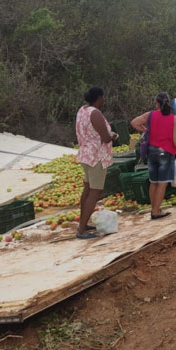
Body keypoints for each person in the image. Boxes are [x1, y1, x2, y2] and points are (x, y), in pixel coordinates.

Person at [131, 92, 176, 219]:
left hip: (151, 152)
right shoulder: (173, 119)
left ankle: (155, 208)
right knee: (162, 183)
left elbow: (134, 122)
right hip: (165, 153)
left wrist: (146, 130)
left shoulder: (150, 115)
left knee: (153, 182)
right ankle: (155, 211)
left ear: (157, 103)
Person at [75, 86, 118, 239]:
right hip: (96, 157)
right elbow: (105, 137)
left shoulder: (82, 110)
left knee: (87, 190)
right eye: (103, 97)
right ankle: (81, 230)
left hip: (85, 155)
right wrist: (112, 135)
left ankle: (83, 223)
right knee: (94, 192)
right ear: (99, 97)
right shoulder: (95, 113)